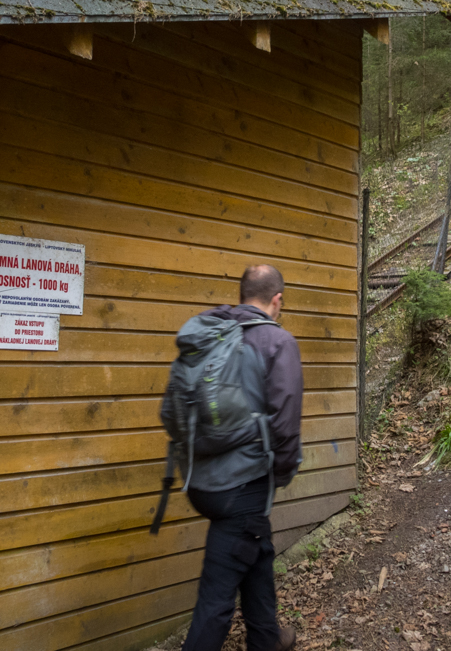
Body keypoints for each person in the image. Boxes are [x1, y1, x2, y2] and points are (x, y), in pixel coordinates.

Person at [182, 264, 303, 651]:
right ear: (276, 299)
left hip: (199, 478)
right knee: (216, 599)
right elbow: (285, 423)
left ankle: (267, 639)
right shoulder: (276, 341)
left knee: (256, 549)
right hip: (240, 488)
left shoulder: (215, 330)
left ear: (242, 293)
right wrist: (281, 473)